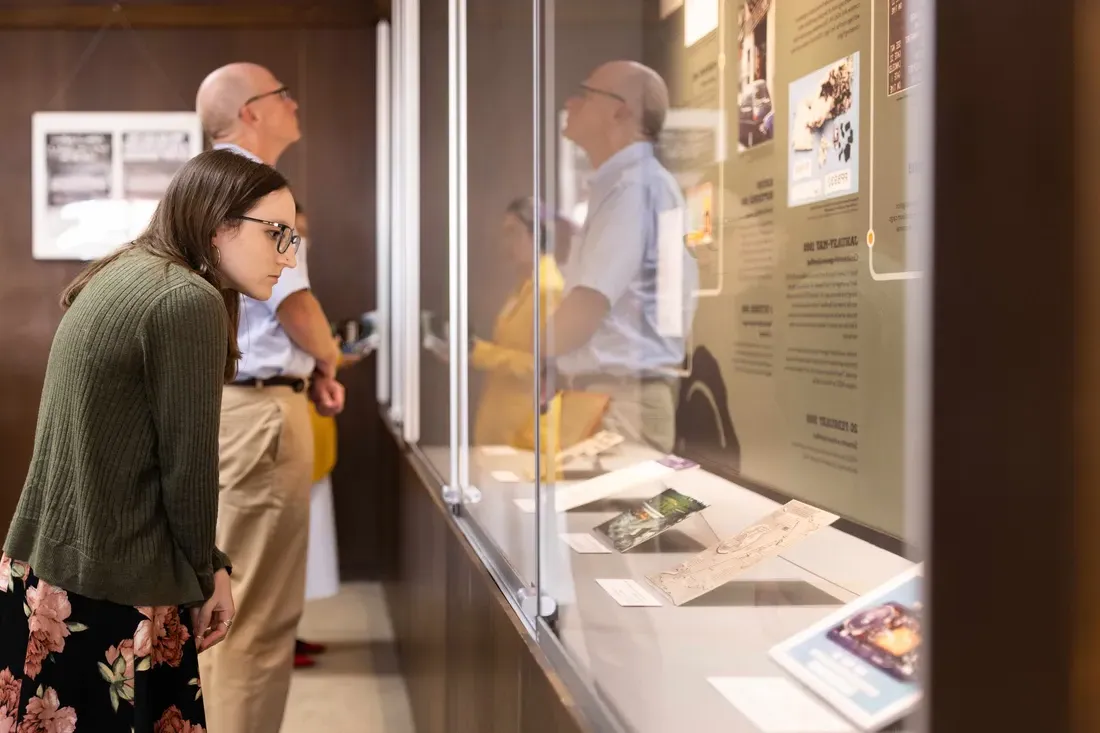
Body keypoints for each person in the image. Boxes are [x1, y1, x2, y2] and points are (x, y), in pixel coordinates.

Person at [0, 148, 296, 732]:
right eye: (277, 233)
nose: (287, 256)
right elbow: (187, 471)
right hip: (114, 589)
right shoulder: (188, 301)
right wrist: (209, 574)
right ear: (220, 224)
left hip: (48, 571)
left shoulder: (130, 270)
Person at [195, 62, 346, 733]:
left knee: (237, 605)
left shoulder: (206, 184)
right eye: (283, 94)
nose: (294, 102)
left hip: (228, 406)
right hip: (259, 410)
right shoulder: (260, 187)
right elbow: (294, 302)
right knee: (256, 615)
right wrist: (330, 354)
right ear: (250, 111)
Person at [543, 60, 699, 452]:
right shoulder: (631, 185)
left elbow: (585, 308)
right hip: (610, 398)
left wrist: (516, 350)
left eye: (585, 93)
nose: (570, 102)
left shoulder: (634, 188)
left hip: (620, 404)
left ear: (619, 110)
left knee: (604, 512)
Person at [470, 196, 565, 446]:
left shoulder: (548, 289)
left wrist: (478, 352)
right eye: (504, 234)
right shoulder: (525, 286)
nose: (505, 243)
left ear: (537, 234)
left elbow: (543, 368)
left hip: (526, 435)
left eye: (512, 233)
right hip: (503, 431)